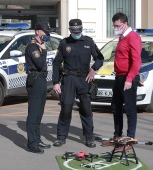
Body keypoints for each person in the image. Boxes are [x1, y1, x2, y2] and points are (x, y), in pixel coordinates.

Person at [52, 19, 104, 148]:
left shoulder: (89, 42)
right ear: (70, 30)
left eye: (78, 30)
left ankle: (89, 137)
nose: (76, 33)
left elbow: (100, 58)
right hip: (68, 79)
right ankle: (61, 137)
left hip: (84, 79)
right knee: (66, 108)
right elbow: (57, 63)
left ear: (81, 29)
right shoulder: (64, 43)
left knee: (86, 110)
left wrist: (93, 69)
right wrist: (55, 82)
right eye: (74, 31)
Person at [109, 12, 142, 151]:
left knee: (129, 109)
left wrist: (131, 78)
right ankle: (117, 137)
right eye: (114, 26)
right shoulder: (122, 37)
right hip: (119, 76)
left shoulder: (133, 37)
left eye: (117, 25)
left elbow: (136, 60)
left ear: (125, 24)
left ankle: (129, 140)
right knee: (115, 107)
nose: (115, 28)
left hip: (127, 78)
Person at [25, 22, 51, 153]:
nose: (47, 35)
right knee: (33, 113)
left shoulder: (39, 46)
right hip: (35, 80)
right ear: (38, 32)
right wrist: (44, 51)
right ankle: (32, 143)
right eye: (45, 32)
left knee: (39, 113)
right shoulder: (32, 47)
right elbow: (40, 64)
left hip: (41, 79)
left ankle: (37, 138)